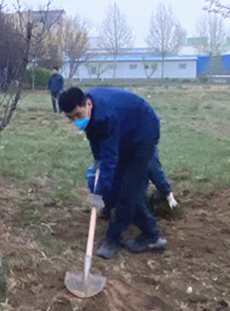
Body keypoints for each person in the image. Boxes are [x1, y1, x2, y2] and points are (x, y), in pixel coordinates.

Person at [59, 86, 167, 258]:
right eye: (70, 118)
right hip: (124, 132)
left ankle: (117, 238)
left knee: (128, 190)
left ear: (88, 104)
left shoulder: (106, 116)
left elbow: (109, 160)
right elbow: (96, 142)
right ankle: (151, 233)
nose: (76, 121)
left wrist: (98, 195)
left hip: (143, 134)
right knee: (119, 185)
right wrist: (97, 163)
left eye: (78, 115)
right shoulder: (90, 111)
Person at [86, 147, 178, 221]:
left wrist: (97, 193)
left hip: (103, 188)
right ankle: (142, 215)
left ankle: (107, 208)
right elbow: (154, 172)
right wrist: (167, 192)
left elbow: (93, 173)